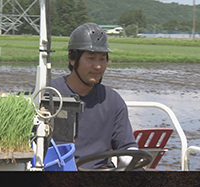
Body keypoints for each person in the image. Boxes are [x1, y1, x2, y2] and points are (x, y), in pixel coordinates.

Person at [51, 22, 139, 169]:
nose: (97, 66)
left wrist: (134, 163)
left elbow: (126, 146)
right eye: (91, 58)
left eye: (102, 58)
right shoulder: (50, 93)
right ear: (72, 59)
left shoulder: (113, 101)